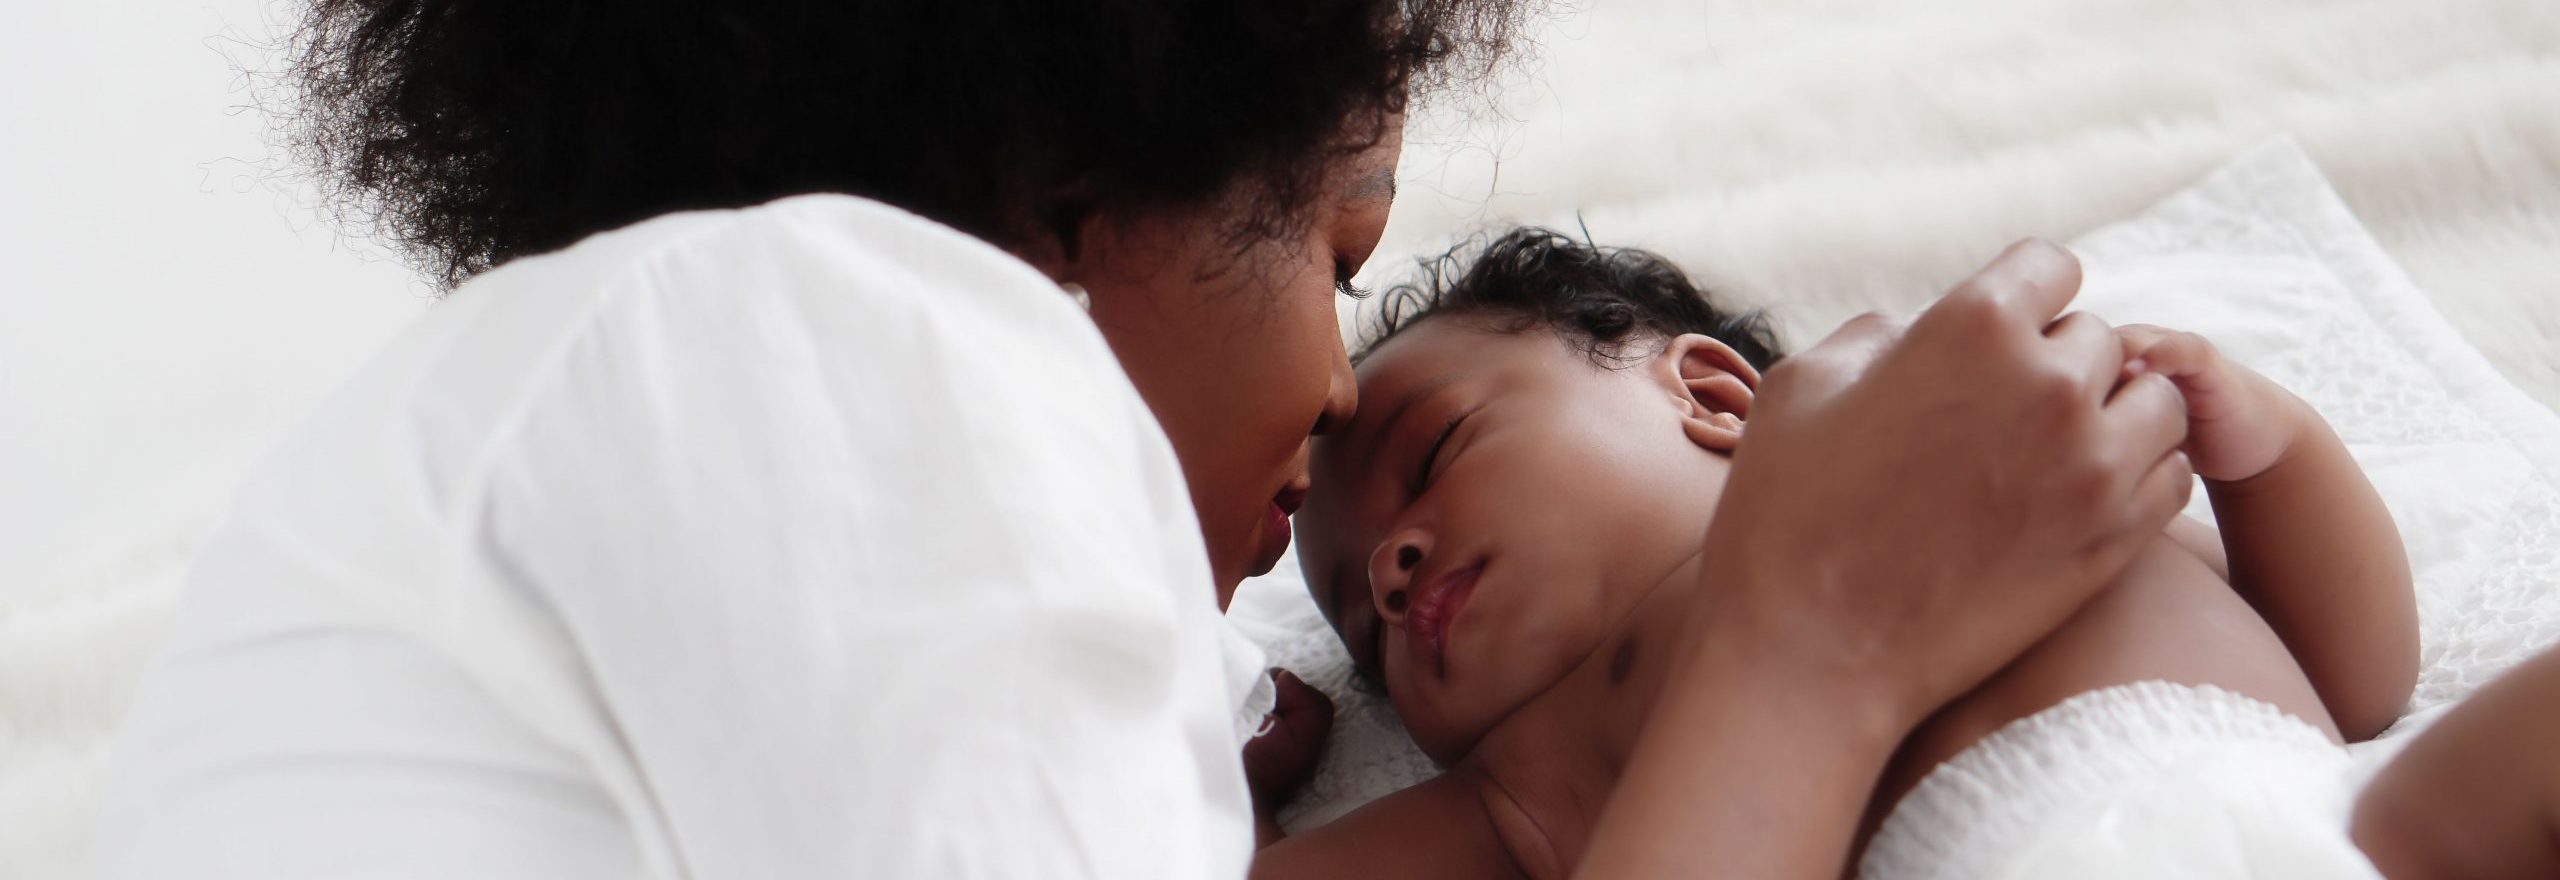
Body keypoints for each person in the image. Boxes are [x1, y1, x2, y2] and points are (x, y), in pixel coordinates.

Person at [97, 3, 2197, 879]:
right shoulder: (882, 350)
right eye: (1334, 252)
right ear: (1081, 192)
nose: (1328, 414)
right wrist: (1805, 640)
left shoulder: (641, 403)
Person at [1269, 229, 2560, 879]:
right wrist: (1205, 734)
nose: (1389, 570)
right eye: (1357, 623)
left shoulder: (2017, 485)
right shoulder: (1532, 774)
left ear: (1717, 395)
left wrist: (2268, 451)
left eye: (1436, 458)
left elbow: (2357, 681)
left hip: (2345, 835)